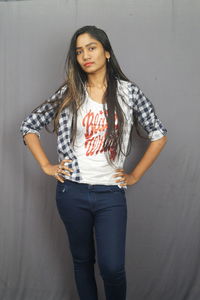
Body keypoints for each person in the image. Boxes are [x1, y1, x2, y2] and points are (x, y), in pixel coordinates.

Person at [20, 25, 168, 300]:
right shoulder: (70, 92)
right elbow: (29, 126)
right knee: (82, 262)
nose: (85, 55)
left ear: (107, 53)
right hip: (71, 191)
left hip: (110, 193)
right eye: (79, 51)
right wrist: (46, 165)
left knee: (112, 268)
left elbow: (158, 135)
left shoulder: (128, 93)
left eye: (92, 48)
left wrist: (134, 175)